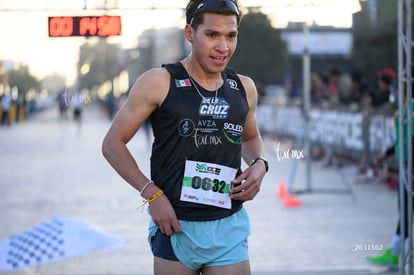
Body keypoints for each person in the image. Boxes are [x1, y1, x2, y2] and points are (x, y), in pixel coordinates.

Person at [101, 0, 268, 274]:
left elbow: (250, 138)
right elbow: (112, 144)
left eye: (231, 35)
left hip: (228, 225)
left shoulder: (244, 87)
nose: (223, 47)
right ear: (190, 33)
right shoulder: (159, 81)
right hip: (175, 225)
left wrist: (260, 164)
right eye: (212, 35)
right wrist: (151, 195)